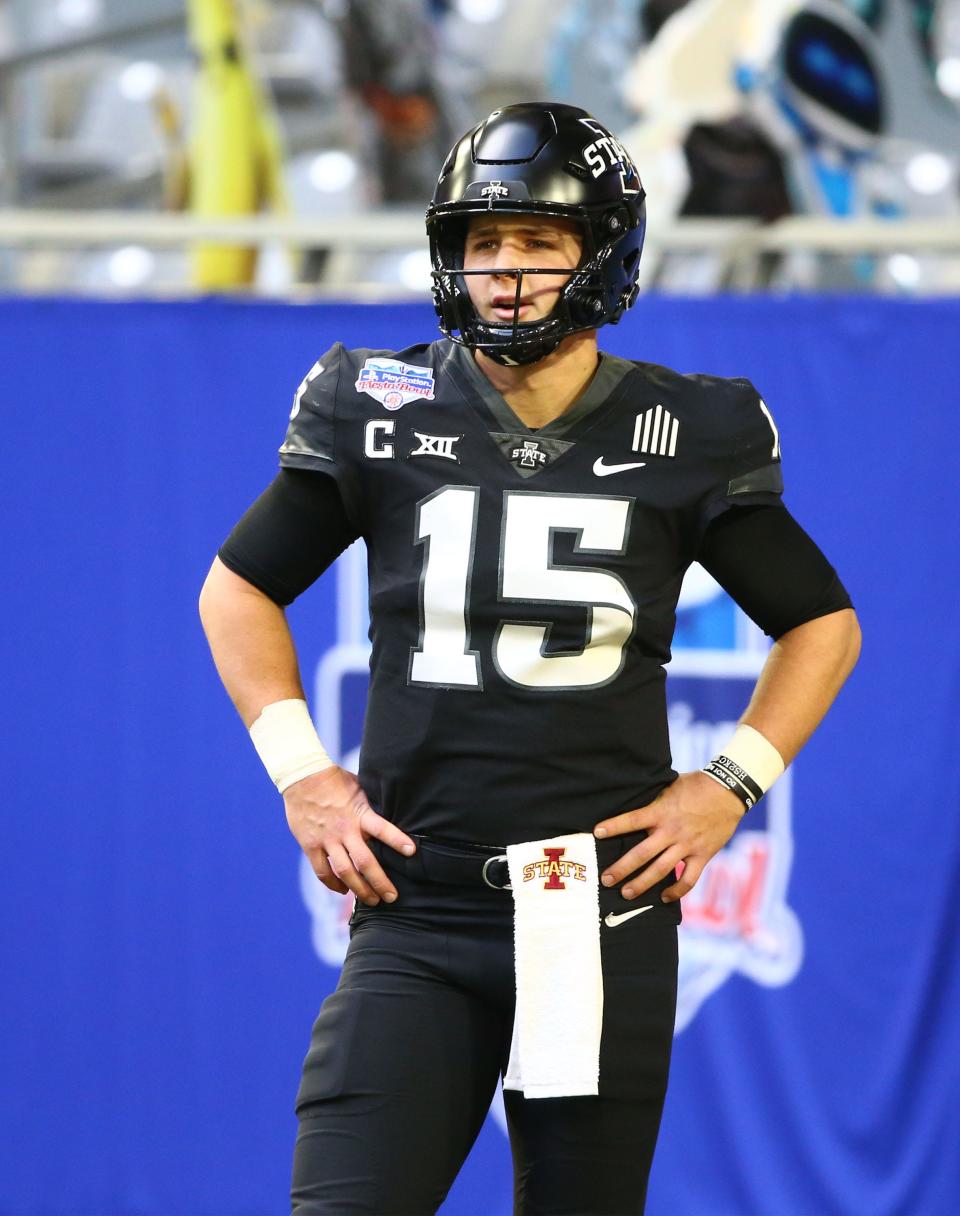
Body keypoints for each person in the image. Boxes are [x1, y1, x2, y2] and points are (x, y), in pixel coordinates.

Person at [199, 102, 861, 1215]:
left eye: (540, 241)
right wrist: (304, 775)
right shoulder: (380, 404)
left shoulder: (691, 428)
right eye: (483, 240)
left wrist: (729, 783)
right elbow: (239, 586)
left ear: (603, 253)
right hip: (420, 901)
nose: (504, 269)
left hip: (598, 912)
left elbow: (821, 623)